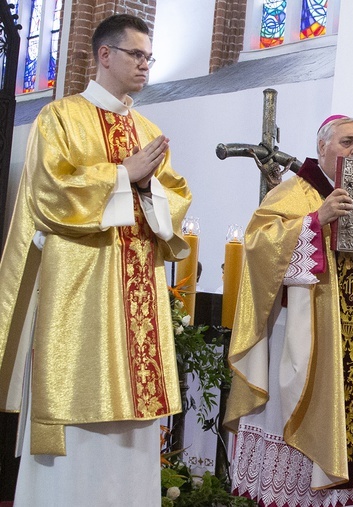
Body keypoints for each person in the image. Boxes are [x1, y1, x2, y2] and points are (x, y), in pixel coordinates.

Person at [0, 13, 191, 505]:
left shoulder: (149, 129)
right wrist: (123, 175)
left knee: (133, 433)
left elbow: (178, 198)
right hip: (81, 300)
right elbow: (50, 193)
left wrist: (148, 188)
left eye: (150, 57)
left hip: (139, 305)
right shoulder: (60, 117)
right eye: (137, 55)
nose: (145, 66)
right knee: (79, 422)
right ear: (105, 55)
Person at [224, 115, 353, 506]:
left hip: (347, 350)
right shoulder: (294, 193)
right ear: (322, 147)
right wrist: (314, 221)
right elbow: (258, 246)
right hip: (298, 341)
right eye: (346, 142)